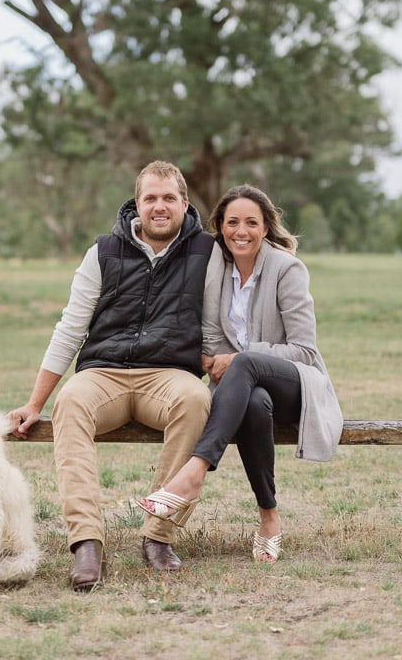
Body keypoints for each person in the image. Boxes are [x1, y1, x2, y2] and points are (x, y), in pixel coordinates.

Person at [7, 161, 221, 591]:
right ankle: (86, 542)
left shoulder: (207, 251)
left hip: (168, 376)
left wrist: (217, 366)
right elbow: (70, 328)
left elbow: (214, 325)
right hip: (104, 373)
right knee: (71, 400)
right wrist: (34, 403)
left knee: (196, 401)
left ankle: (159, 535)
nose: (159, 207)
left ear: (184, 202)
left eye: (168, 198)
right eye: (150, 198)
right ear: (136, 204)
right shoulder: (103, 251)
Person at [137, 184, 342, 563]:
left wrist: (239, 357)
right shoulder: (218, 268)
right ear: (221, 227)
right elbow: (213, 338)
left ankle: (193, 474)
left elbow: (305, 350)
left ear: (265, 228)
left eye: (251, 222)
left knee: (246, 362)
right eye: (232, 222)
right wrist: (221, 359)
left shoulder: (287, 270)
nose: (241, 231)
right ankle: (269, 516)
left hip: (297, 384)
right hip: (245, 391)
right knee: (253, 402)